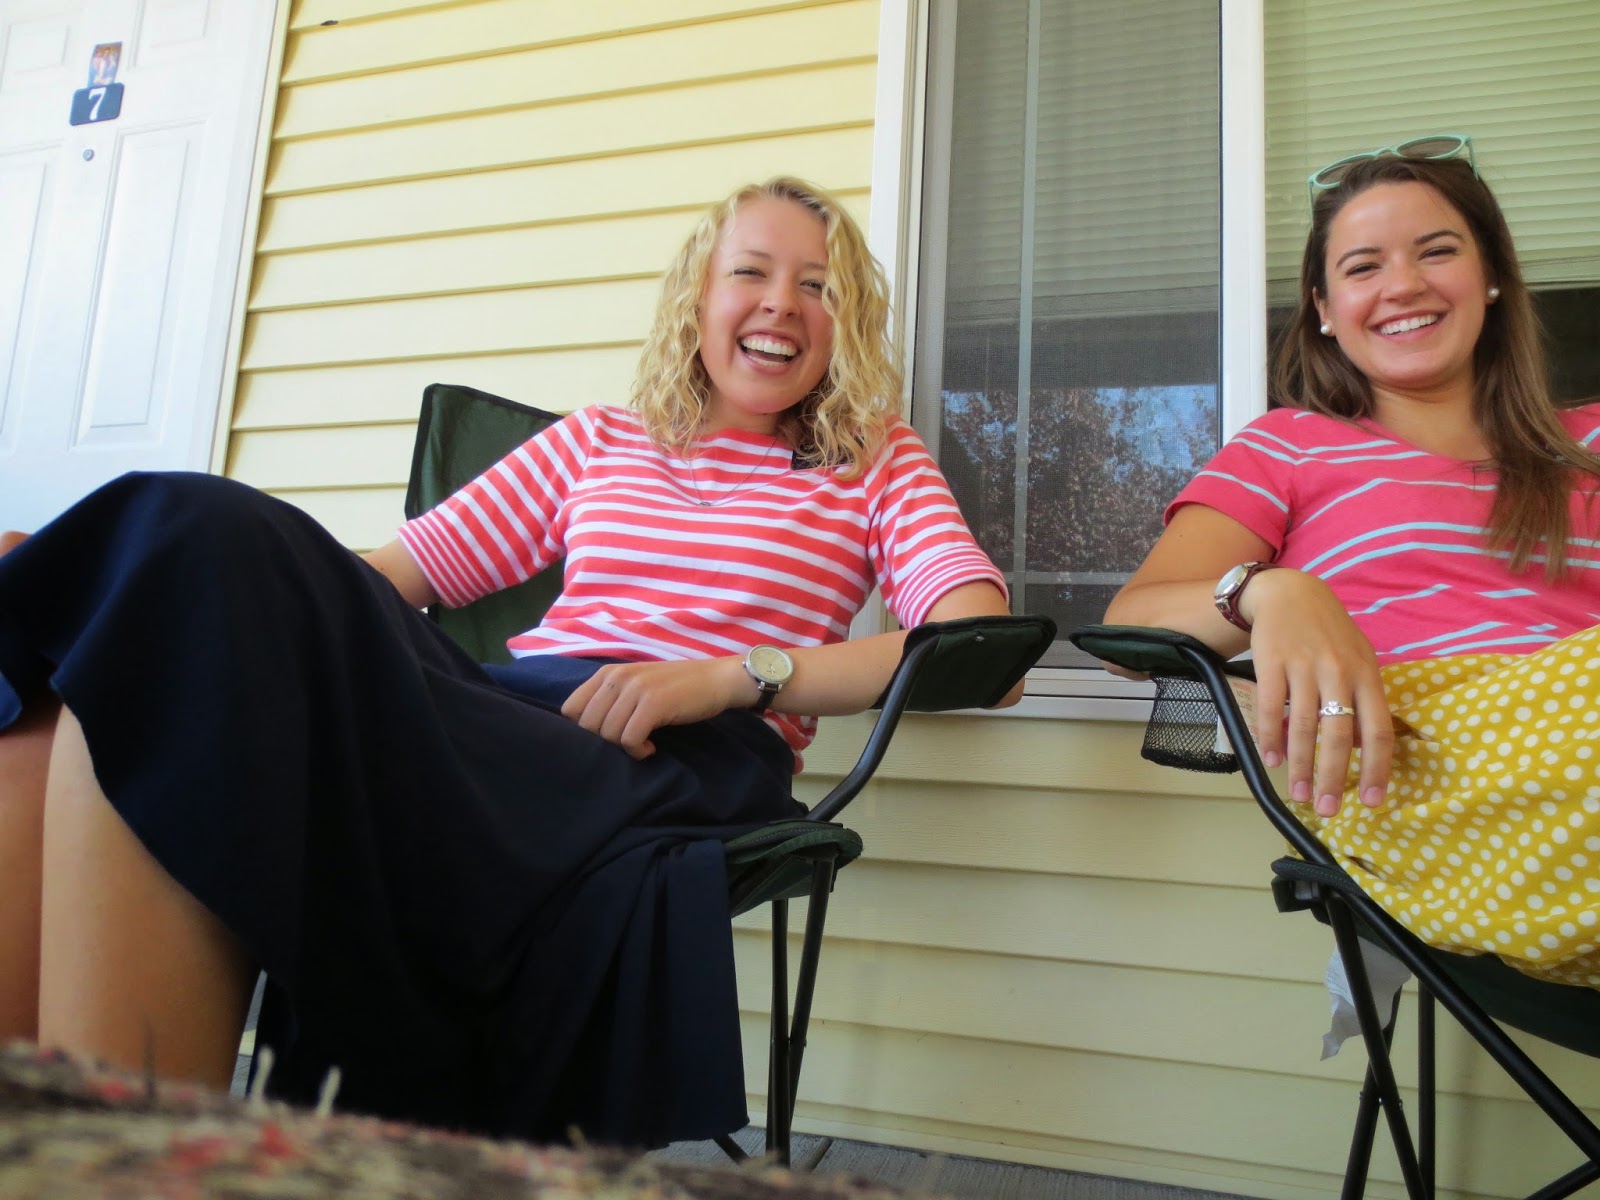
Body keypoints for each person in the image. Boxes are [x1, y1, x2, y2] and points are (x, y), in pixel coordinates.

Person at [0, 177, 1015, 1143]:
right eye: (750, 271)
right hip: (507, 717)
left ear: (846, 323)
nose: (781, 302)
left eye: (819, 286)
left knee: (168, 560)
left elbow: (980, 651)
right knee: (163, 599)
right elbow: (387, 580)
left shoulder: (872, 462)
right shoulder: (601, 441)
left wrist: (736, 675)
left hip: (681, 754)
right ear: (698, 300)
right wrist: (209, 595)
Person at [1104, 137, 1600, 987]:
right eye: (1363, 266)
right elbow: (1130, 625)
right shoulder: (1287, 447)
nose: (1402, 286)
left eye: (1436, 251)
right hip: (1421, 779)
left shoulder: (1587, 443)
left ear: (1491, 276)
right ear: (1326, 310)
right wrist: (1268, 591)